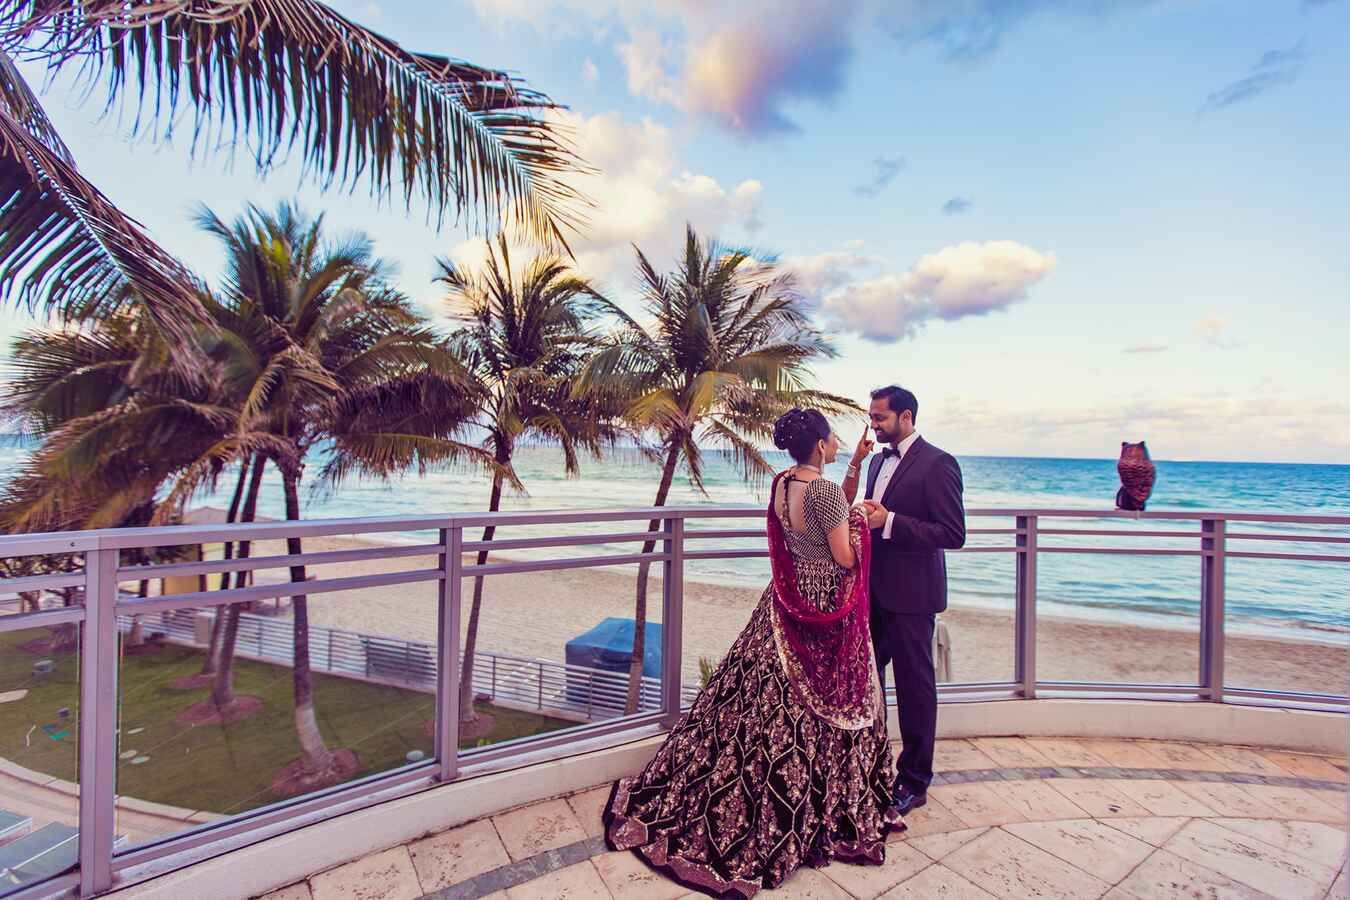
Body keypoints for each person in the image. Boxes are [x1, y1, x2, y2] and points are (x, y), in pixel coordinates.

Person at [604, 408, 902, 897]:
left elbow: (816, 524)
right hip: (823, 602)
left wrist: (851, 478)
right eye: (833, 440)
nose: (837, 444)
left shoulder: (784, 483)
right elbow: (843, 554)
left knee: (762, 696)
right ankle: (817, 805)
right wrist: (860, 525)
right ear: (822, 445)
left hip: (785, 599)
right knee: (825, 702)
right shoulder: (823, 493)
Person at [852, 385, 966, 815]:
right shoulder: (878, 461)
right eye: (872, 416)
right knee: (867, 680)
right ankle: (870, 763)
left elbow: (952, 534)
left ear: (906, 416)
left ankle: (914, 781)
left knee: (916, 688)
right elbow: (876, 522)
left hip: (914, 596)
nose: (874, 425)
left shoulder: (939, 463)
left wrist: (891, 521)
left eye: (880, 418)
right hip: (872, 591)